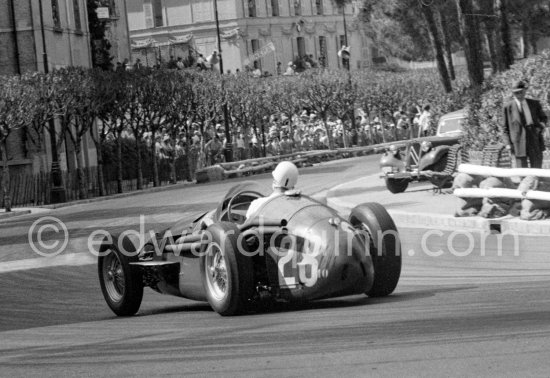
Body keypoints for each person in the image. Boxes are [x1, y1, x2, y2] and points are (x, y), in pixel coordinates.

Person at [503, 80, 548, 168]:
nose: (519, 95)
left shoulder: (534, 104)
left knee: (537, 167)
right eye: (516, 93)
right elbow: (505, 128)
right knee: (522, 169)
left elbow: (544, 118)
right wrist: (508, 144)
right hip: (518, 140)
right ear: (513, 94)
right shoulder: (507, 107)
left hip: (534, 137)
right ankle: (523, 181)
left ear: (525, 91)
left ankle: (536, 181)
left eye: (521, 92)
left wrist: (540, 127)